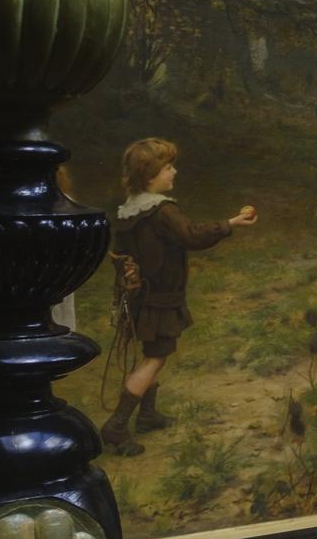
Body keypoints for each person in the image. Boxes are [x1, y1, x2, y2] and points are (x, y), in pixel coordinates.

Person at [100, 138, 256, 457]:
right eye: (168, 167)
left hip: (144, 296)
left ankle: (147, 415)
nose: (174, 171)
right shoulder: (162, 210)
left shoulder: (129, 210)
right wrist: (230, 224)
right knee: (155, 356)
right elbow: (192, 236)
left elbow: (120, 255)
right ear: (149, 176)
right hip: (160, 296)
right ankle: (116, 426)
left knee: (154, 350)